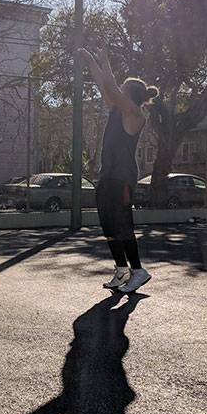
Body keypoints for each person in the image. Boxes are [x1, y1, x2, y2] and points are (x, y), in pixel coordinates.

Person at [80, 47, 158, 293]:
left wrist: (104, 59)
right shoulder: (117, 109)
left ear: (130, 94)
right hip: (108, 175)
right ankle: (122, 269)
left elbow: (111, 87)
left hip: (122, 178)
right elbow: (104, 86)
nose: (118, 91)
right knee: (108, 225)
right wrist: (91, 60)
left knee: (122, 224)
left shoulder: (135, 113)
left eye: (123, 89)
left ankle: (138, 270)